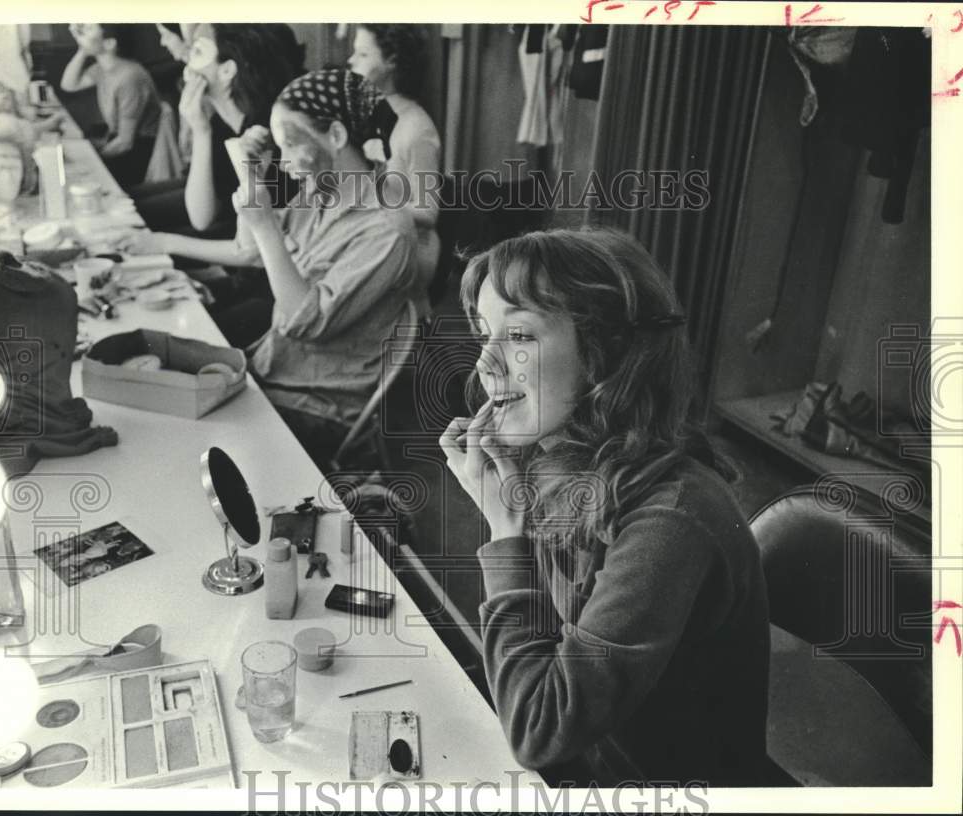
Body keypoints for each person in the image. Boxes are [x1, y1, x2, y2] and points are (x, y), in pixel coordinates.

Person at [439, 228, 771, 786]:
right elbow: (543, 659)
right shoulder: (561, 462)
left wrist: (506, 535)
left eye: (518, 334)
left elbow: (539, 730)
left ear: (605, 356)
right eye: (484, 335)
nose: (485, 367)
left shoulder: (672, 518)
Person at [232, 69, 417, 468]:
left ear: (334, 136)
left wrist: (264, 224)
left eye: (291, 145)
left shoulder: (386, 231)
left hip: (317, 406)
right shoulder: (317, 196)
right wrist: (251, 175)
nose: (282, 164)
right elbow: (248, 248)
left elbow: (305, 323)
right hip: (274, 372)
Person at [128, 23, 303, 241]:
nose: (187, 60)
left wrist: (200, 131)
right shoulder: (220, 123)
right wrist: (201, 130)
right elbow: (201, 215)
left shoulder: (267, 131)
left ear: (227, 70)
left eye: (198, 51)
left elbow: (206, 224)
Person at [347, 24, 441, 315]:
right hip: (374, 234)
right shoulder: (367, 114)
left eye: (362, 54)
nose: (351, 61)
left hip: (410, 248)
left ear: (392, 63)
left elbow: (427, 212)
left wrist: (366, 198)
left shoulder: (415, 129)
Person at [60, 24, 162, 188]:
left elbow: (125, 142)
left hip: (140, 152)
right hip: (119, 140)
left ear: (109, 43)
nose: (83, 32)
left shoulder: (129, 76)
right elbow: (69, 85)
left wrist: (94, 160)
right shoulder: (102, 68)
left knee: (79, 179)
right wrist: (82, 50)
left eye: (90, 29)